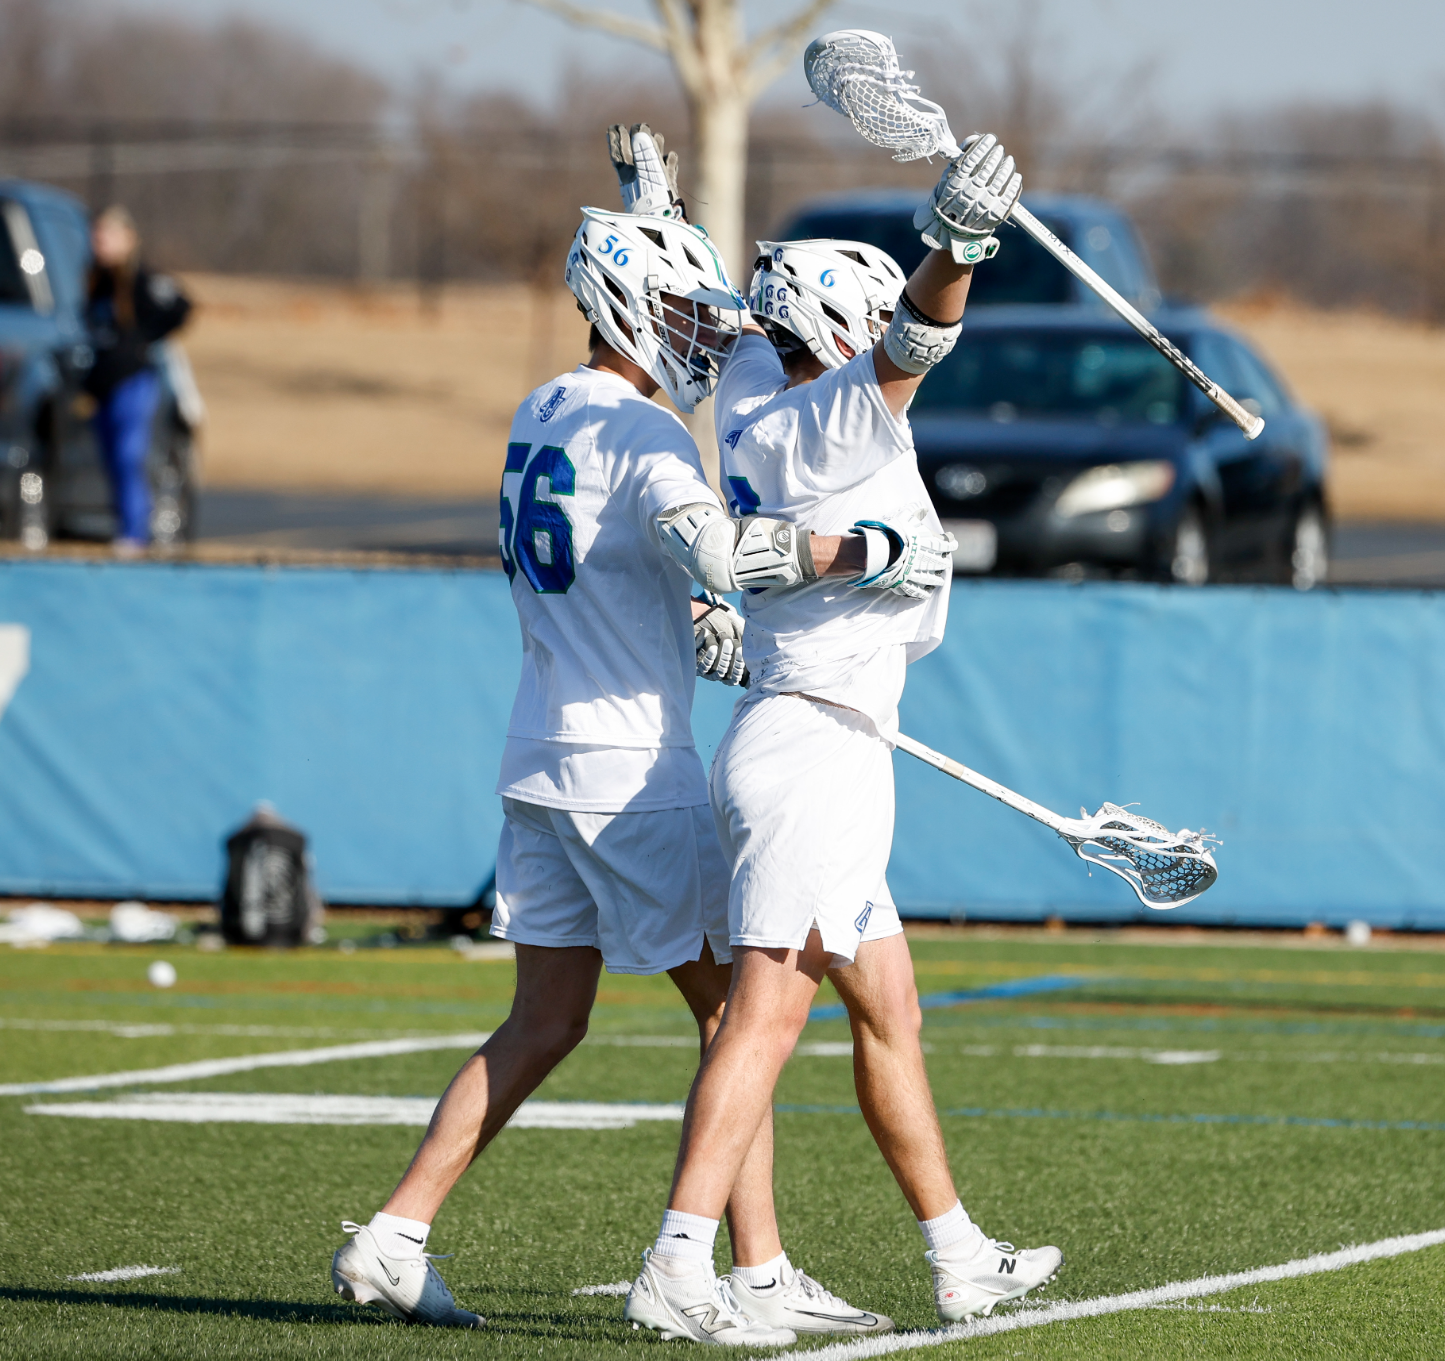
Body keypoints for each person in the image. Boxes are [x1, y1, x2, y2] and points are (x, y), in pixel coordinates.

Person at [329, 129, 936, 1342]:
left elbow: (619, 560)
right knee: (739, 1019)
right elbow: (721, 551)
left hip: (536, 761)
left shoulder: (541, 406)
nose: (705, 333)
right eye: (679, 309)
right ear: (624, 307)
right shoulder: (649, 435)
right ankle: (746, 1272)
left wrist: (693, 627)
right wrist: (863, 553)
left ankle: (393, 1233)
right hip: (627, 769)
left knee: (546, 1019)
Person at [629, 133, 1063, 1345]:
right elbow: (917, 338)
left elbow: (717, 313)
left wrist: (658, 210)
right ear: (832, 326)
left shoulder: (755, 393)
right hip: (813, 750)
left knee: (889, 1007)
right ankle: (678, 1257)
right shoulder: (824, 419)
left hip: (824, 735)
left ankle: (956, 1252)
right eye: (857, 318)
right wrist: (955, 246)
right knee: (762, 1017)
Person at [86, 206, 191, 555]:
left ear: (128, 239)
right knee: (110, 460)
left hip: (133, 381)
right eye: (97, 236)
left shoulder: (142, 280)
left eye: (107, 235)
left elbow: (181, 306)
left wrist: (143, 340)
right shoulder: (96, 280)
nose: (100, 243)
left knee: (129, 455)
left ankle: (135, 533)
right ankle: (123, 526)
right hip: (102, 384)